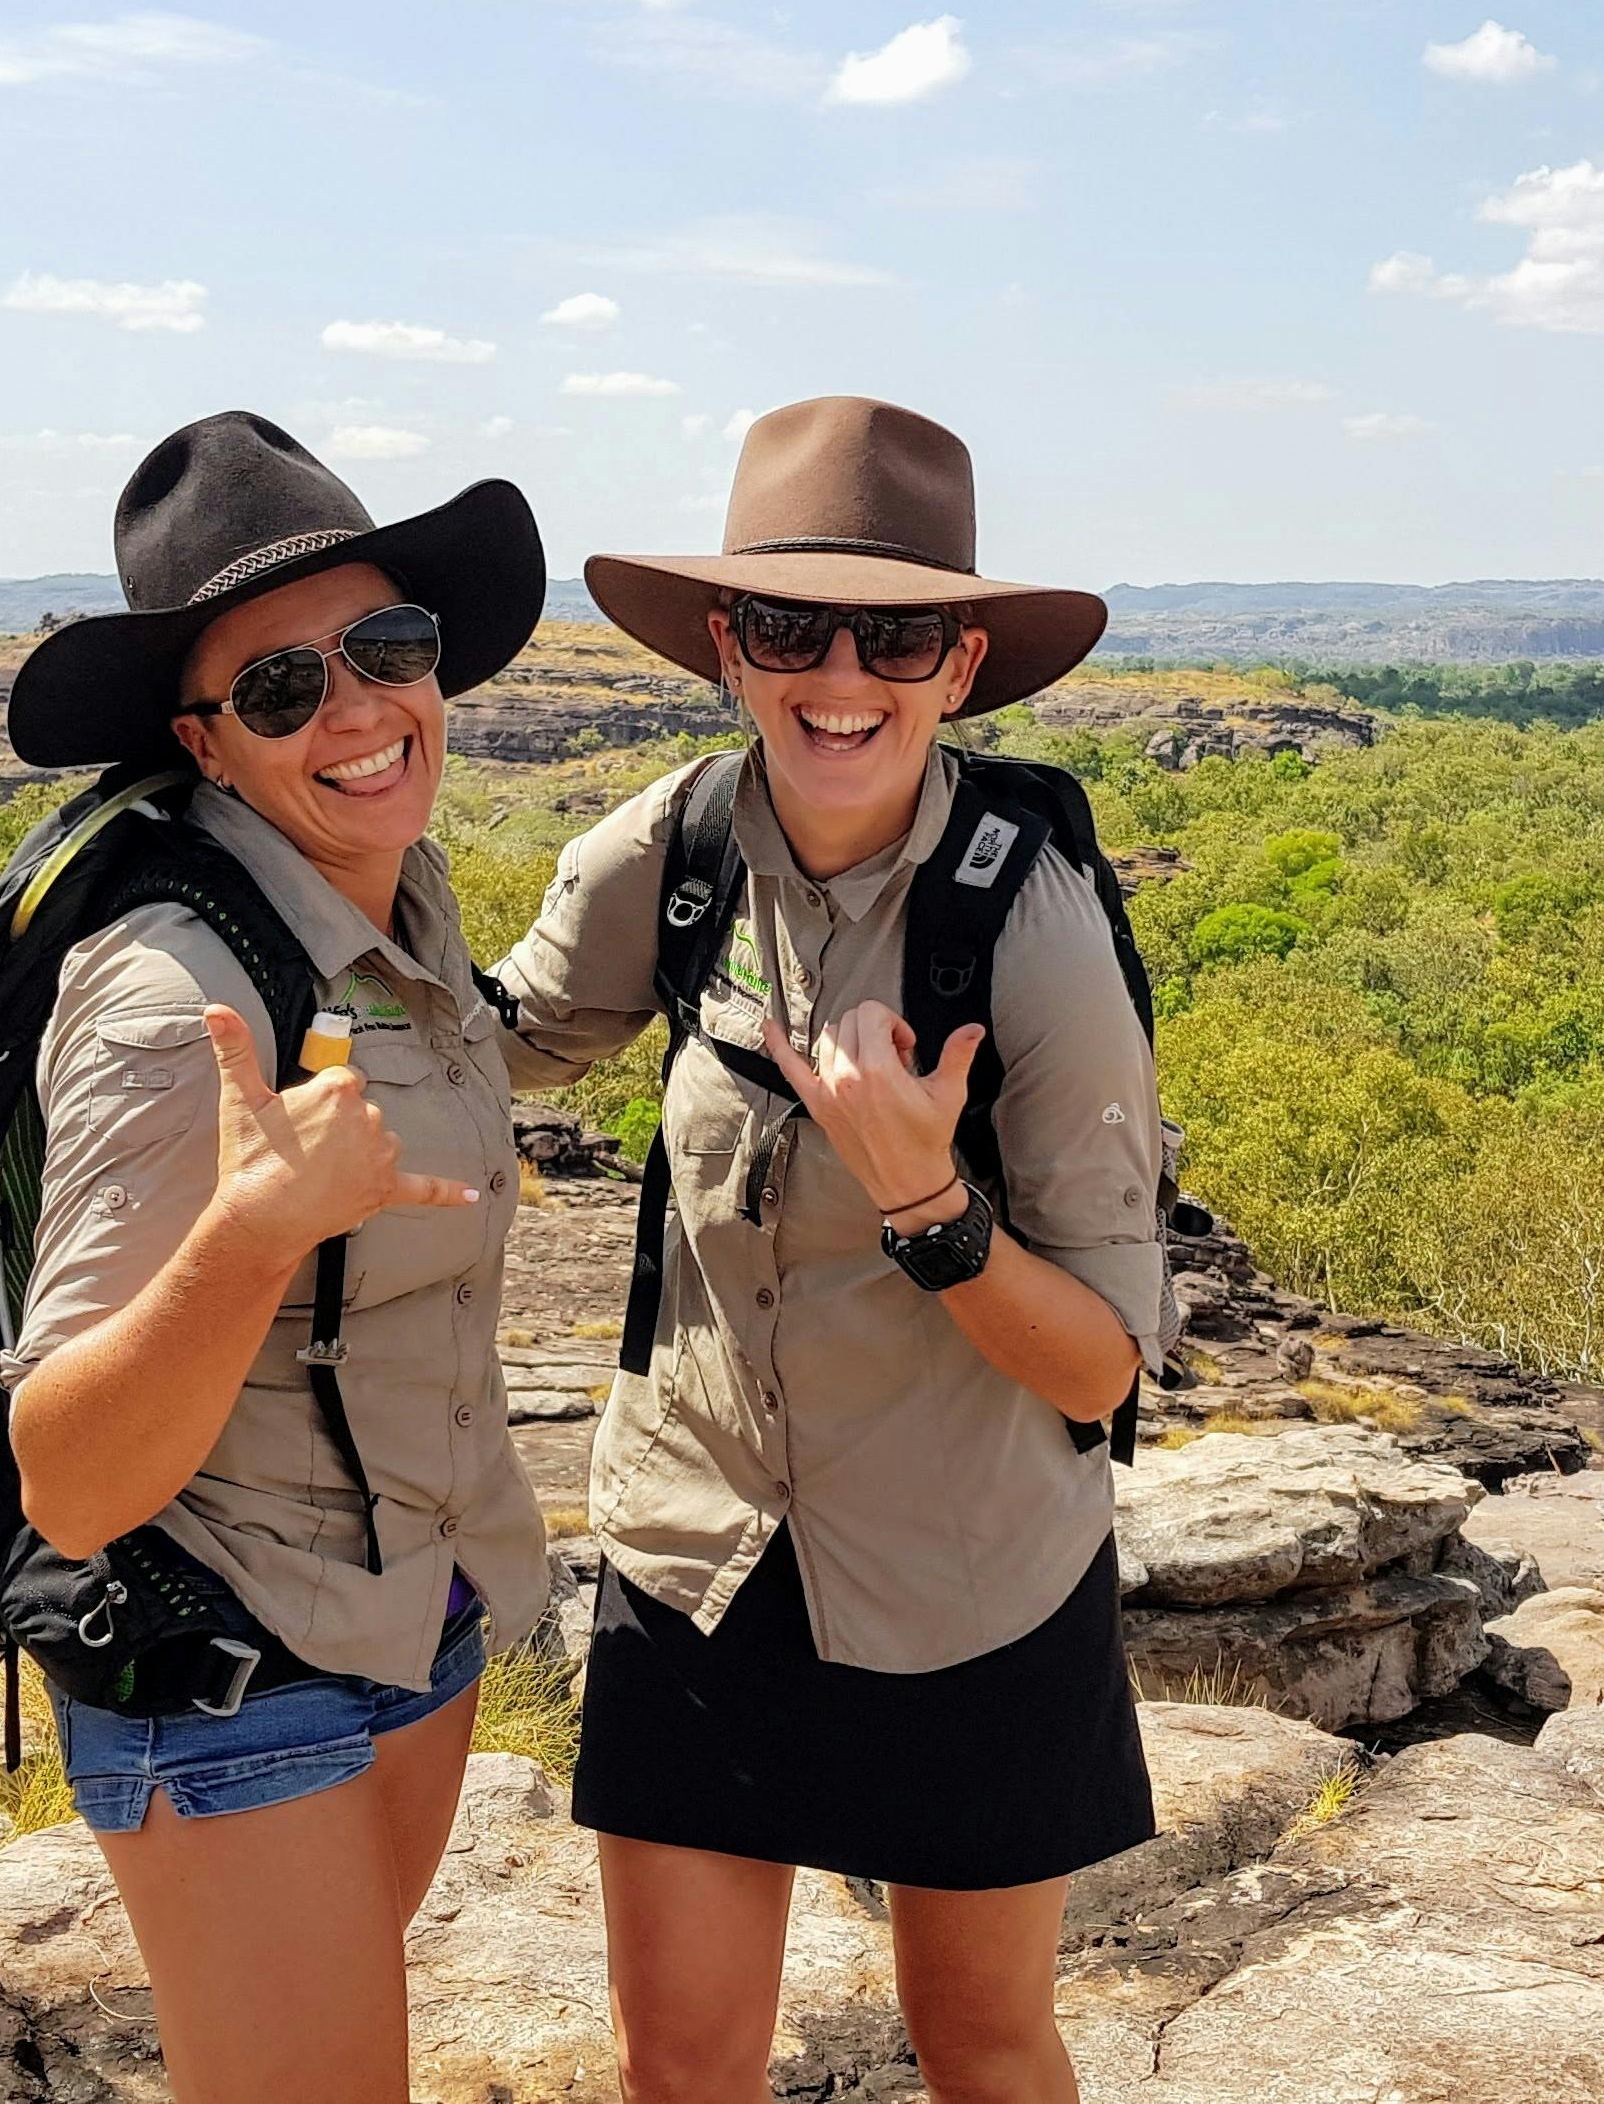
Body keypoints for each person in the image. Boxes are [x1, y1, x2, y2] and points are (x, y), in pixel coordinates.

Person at [494, 396, 1171, 2104]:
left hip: (974, 1569)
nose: (842, 673)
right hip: (700, 1548)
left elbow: (1100, 1361)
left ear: (960, 668)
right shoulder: (675, 849)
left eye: (900, 634)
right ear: (730, 647)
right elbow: (490, 1041)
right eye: (795, 625)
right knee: (685, 2065)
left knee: (982, 2040)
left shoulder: (1029, 919)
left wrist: (931, 1209)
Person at [0, 412, 555, 2104]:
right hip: (229, 1672)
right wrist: (249, 1234)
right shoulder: (180, 1005)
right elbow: (71, 1482)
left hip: (410, 1623)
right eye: (284, 689)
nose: (363, 709)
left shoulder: (397, 901)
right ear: (205, 743)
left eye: (388, 649)